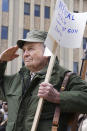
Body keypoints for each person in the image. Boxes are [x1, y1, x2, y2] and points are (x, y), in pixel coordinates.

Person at [0, 30, 87, 131]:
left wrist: (58, 97)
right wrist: (1, 62)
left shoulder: (65, 77)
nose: (25, 54)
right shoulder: (16, 79)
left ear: (47, 52)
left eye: (31, 49)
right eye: (24, 50)